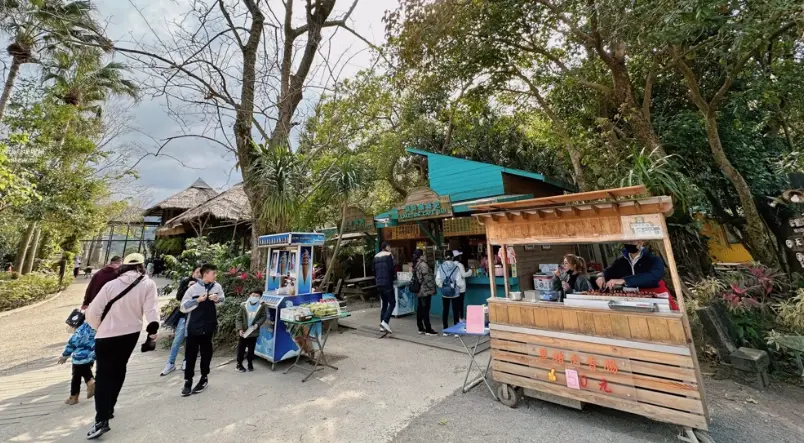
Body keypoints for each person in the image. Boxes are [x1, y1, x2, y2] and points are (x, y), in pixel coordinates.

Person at [85, 253, 159, 440]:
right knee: (119, 369)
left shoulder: (111, 285)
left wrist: (98, 327)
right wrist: (152, 331)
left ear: (123, 266)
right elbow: (151, 311)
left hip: (106, 335)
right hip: (131, 334)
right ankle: (110, 407)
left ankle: (101, 419)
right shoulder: (148, 284)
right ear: (142, 266)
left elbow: (93, 312)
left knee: (103, 374)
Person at [180, 263, 225, 397]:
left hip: (209, 325)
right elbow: (183, 307)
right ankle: (188, 381)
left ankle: (204, 378)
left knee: (206, 353)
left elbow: (223, 300)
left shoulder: (217, 287)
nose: (215, 276)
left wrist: (217, 299)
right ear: (205, 274)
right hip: (194, 326)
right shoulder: (193, 289)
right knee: (190, 355)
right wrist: (197, 301)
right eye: (213, 273)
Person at [160, 266, 201, 376]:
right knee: (177, 339)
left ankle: (186, 361)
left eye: (200, 273)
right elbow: (179, 297)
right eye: (197, 272)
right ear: (193, 273)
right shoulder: (185, 282)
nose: (199, 274)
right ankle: (170, 363)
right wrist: (187, 287)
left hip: (195, 316)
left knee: (190, 340)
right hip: (184, 315)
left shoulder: (201, 285)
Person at [596, 241, 665, 290]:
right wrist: (601, 276)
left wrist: (624, 280)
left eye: (631, 242)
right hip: (631, 297)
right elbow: (608, 271)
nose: (628, 244)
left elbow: (654, 276)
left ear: (640, 242)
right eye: (626, 242)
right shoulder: (621, 261)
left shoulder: (653, 259)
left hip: (653, 294)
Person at [58, 316, 96, 405]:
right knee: (85, 370)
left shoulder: (80, 330)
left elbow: (72, 343)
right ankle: (90, 382)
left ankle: (74, 396)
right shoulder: (92, 327)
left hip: (79, 357)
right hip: (91, 355)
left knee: (76, 376)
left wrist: (64, 356)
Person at [436, 250, 472, 336]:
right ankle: (456, 332)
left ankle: (445, 330)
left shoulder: (440, 267)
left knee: (445, 311)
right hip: (455, 293)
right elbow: (459, 282)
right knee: (456, 311)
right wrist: (458, 287)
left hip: (445, 293)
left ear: (445, 257)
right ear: (452, 257)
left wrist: (443, 286)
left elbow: (437, 280)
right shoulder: (456, 268)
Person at [235, 288, 268, 372]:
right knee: (241, 349)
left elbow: (263, 316)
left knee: (251, 350)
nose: (254, 297)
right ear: (250, 295)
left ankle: (250, 363)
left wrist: (257, 324)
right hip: (244, 332)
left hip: (253, 332)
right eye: (253, 295)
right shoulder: (244, 305)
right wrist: (240, 329)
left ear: (260, 297)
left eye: (257, 296)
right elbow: (238, 318)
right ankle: (239, 364)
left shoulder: (262, 306)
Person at [413, 249, 437, 336]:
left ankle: (420, 327)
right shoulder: (423, 265)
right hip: (425, 291)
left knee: (420, 309)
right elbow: (428, 279)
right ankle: (428, 329)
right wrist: (433, 289)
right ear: (421, 256)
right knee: (425, 310)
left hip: (420, 290)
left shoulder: (416, 265)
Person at [373, 241, 396, 334]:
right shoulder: (389, 255)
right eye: (389, 246)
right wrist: (393, 278)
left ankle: (382, 325)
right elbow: (391, 269)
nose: (390, 248)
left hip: (379, 284)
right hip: (387, 284)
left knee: (385, 304)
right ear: (386, 247)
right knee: (393, 303)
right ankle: (385, 322)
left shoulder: (376, 256)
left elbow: (373, 271)